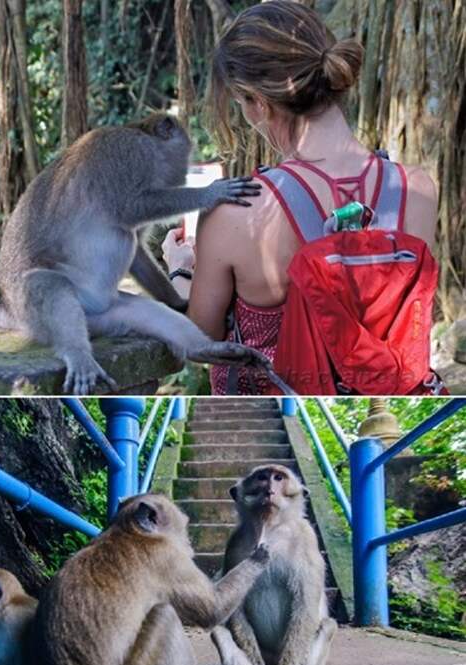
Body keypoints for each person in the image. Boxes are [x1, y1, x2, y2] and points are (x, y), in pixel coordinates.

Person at [162, 0, 438, 395]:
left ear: (258, 101)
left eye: (241, 105)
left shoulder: (234, 212)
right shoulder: (418, 190)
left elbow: (202, 341)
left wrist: (180, 270)